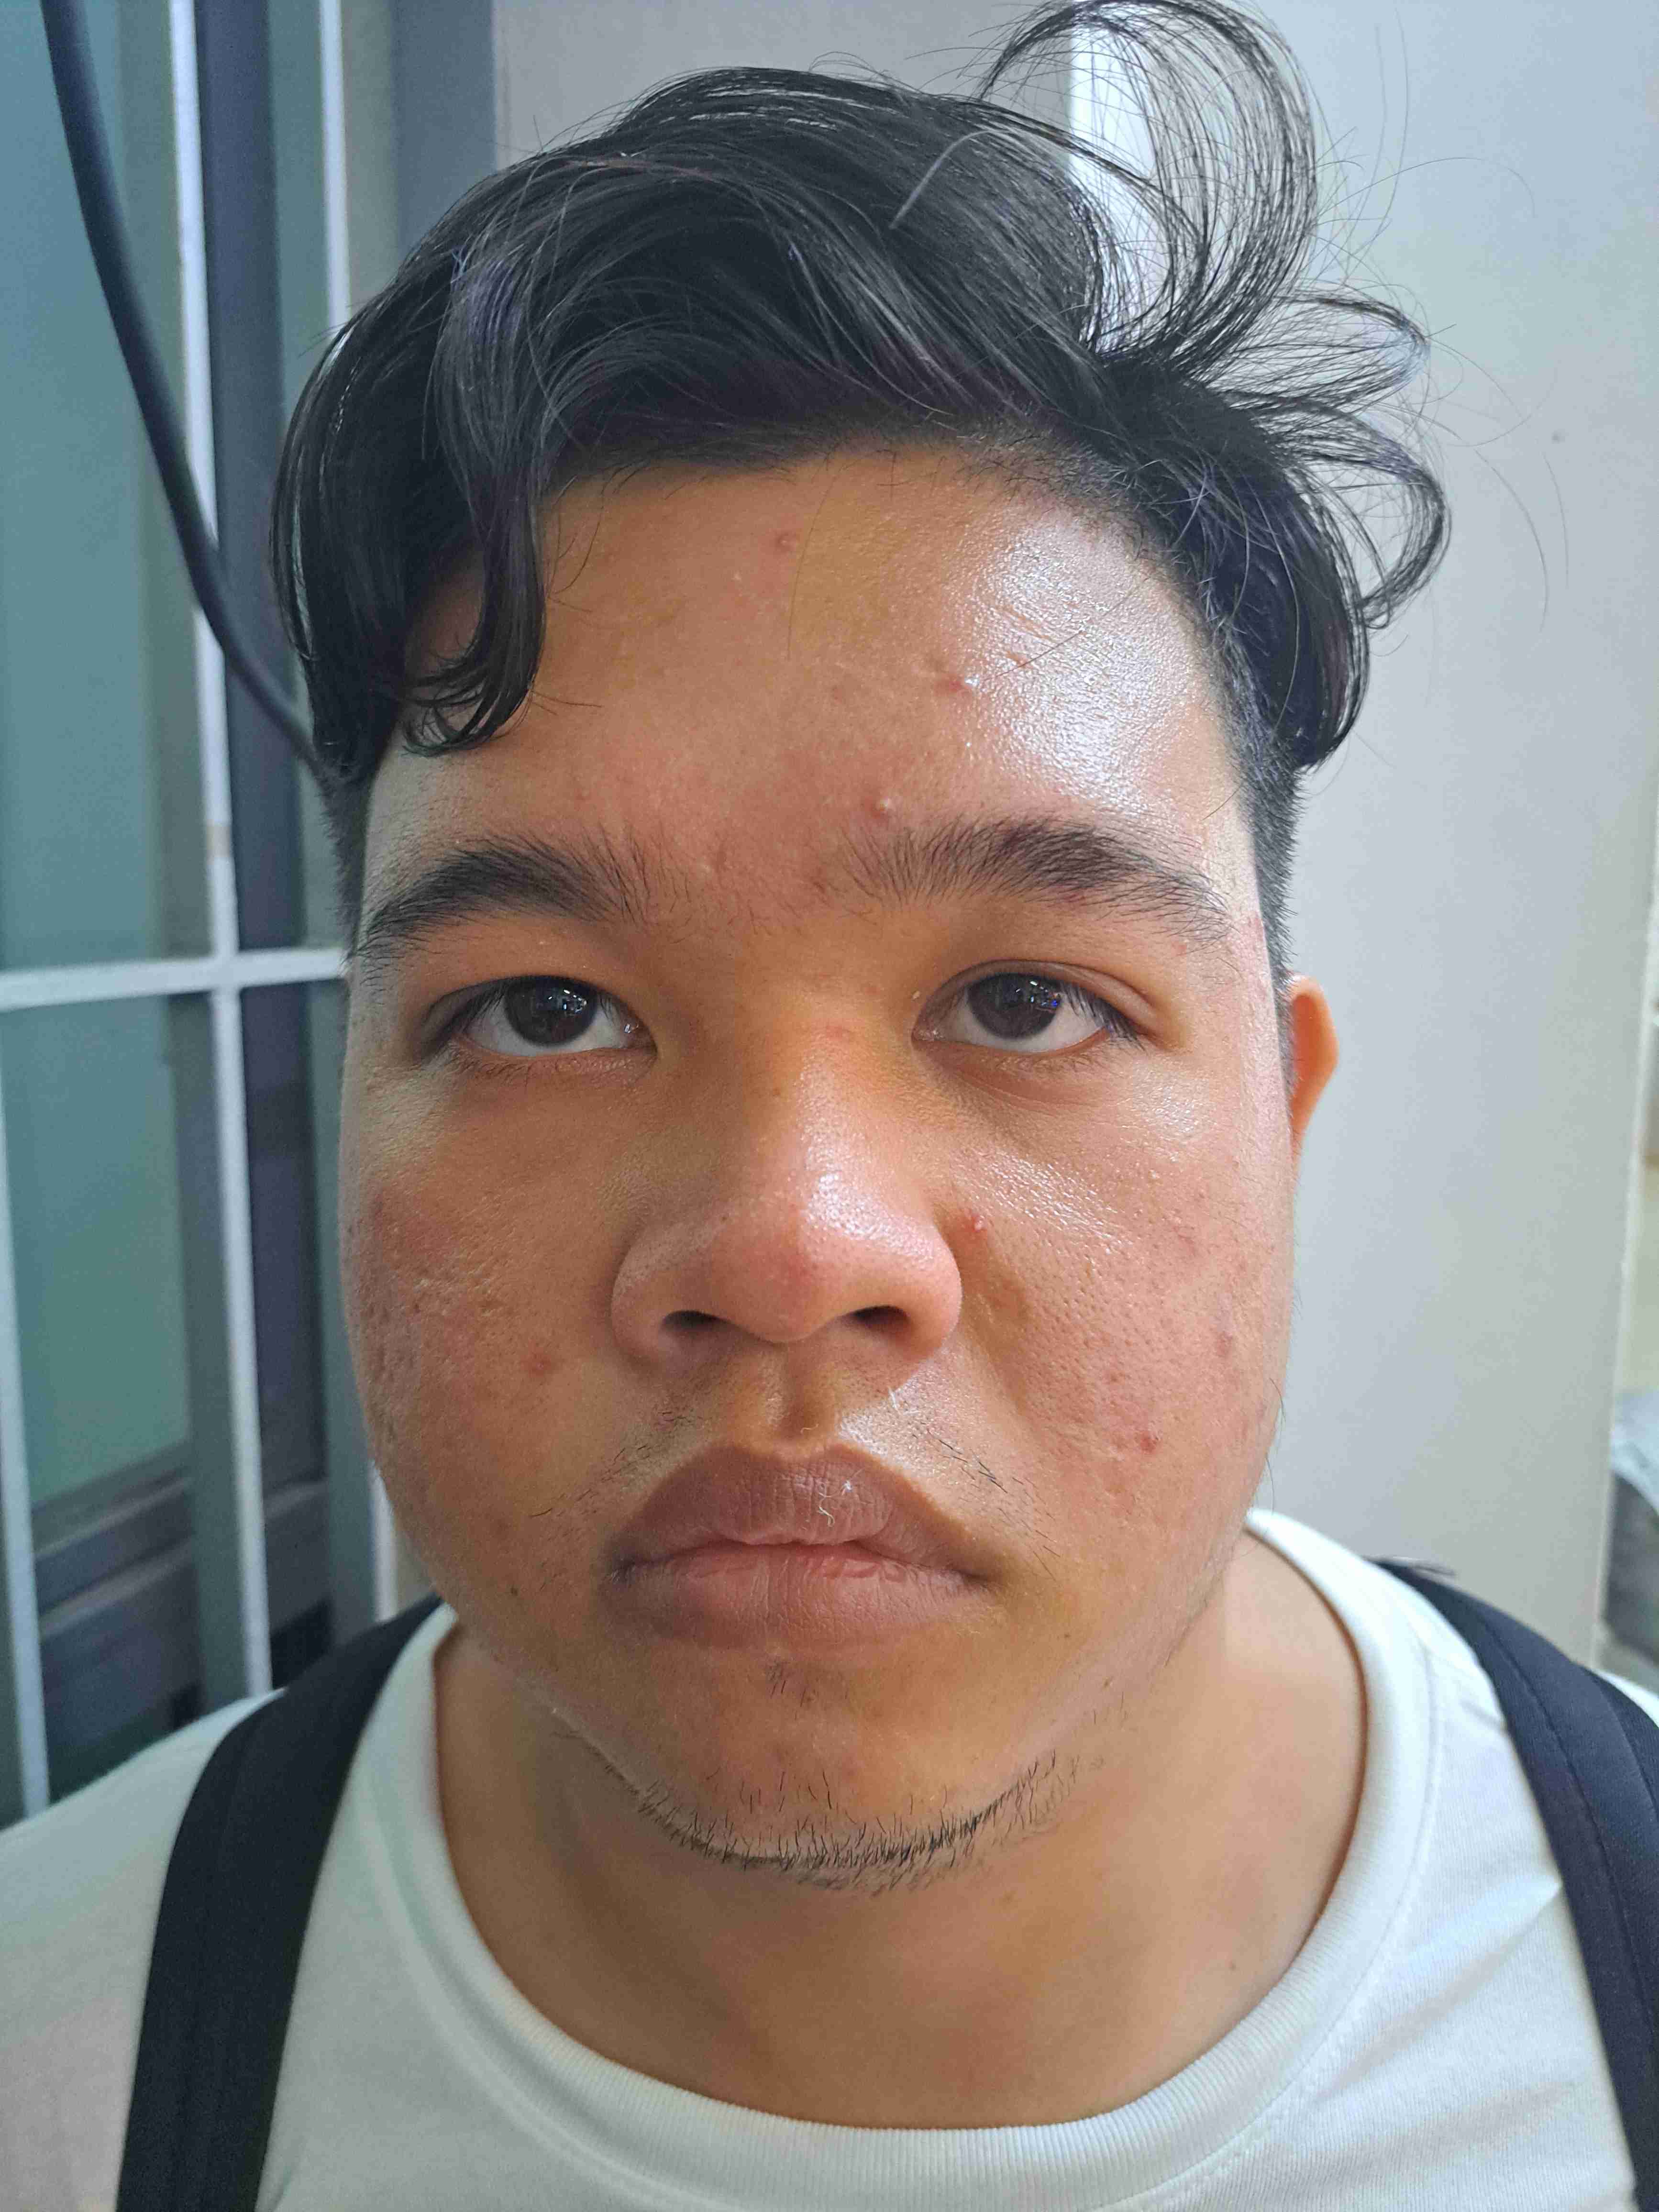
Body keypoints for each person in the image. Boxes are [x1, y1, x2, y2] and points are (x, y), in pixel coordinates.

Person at [2, 2, 1652, 2204]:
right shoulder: (58, 2052)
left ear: (1281, 1117)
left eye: (1026, 999)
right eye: (547, 1013)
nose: (790, 1250)